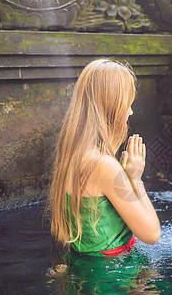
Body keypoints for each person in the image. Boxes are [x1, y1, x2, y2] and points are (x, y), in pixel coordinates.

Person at [48, 59, 160, 258]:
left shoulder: (72, 155)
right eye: (128, 103)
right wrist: (135, 178)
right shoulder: (104, 166)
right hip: (113, 280)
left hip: (88, 272)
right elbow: (151, 234)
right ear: (113, 107)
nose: (131, 111)